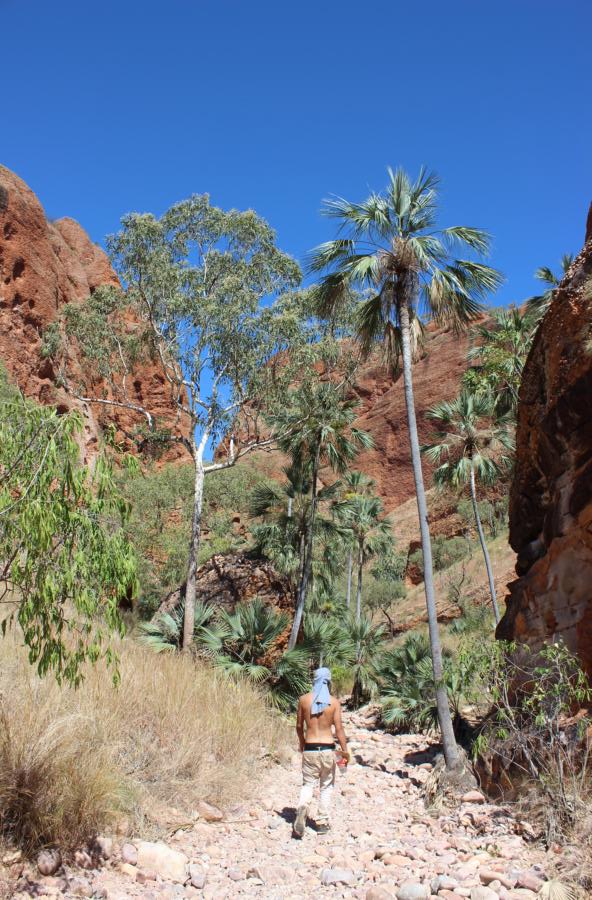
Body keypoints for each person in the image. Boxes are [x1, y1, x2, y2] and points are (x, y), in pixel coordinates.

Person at [293, 667, 350, 837]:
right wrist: (344, 751)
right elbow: (339, 729)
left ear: (314, 680)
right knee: (326, 786)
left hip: (310, 747)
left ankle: (303, 806)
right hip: (327, 749)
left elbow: (298, 727)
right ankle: (323, 822)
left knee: (308, 783)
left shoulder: (304, 700)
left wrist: (302, 744)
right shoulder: (334, 702)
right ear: (328, 681)